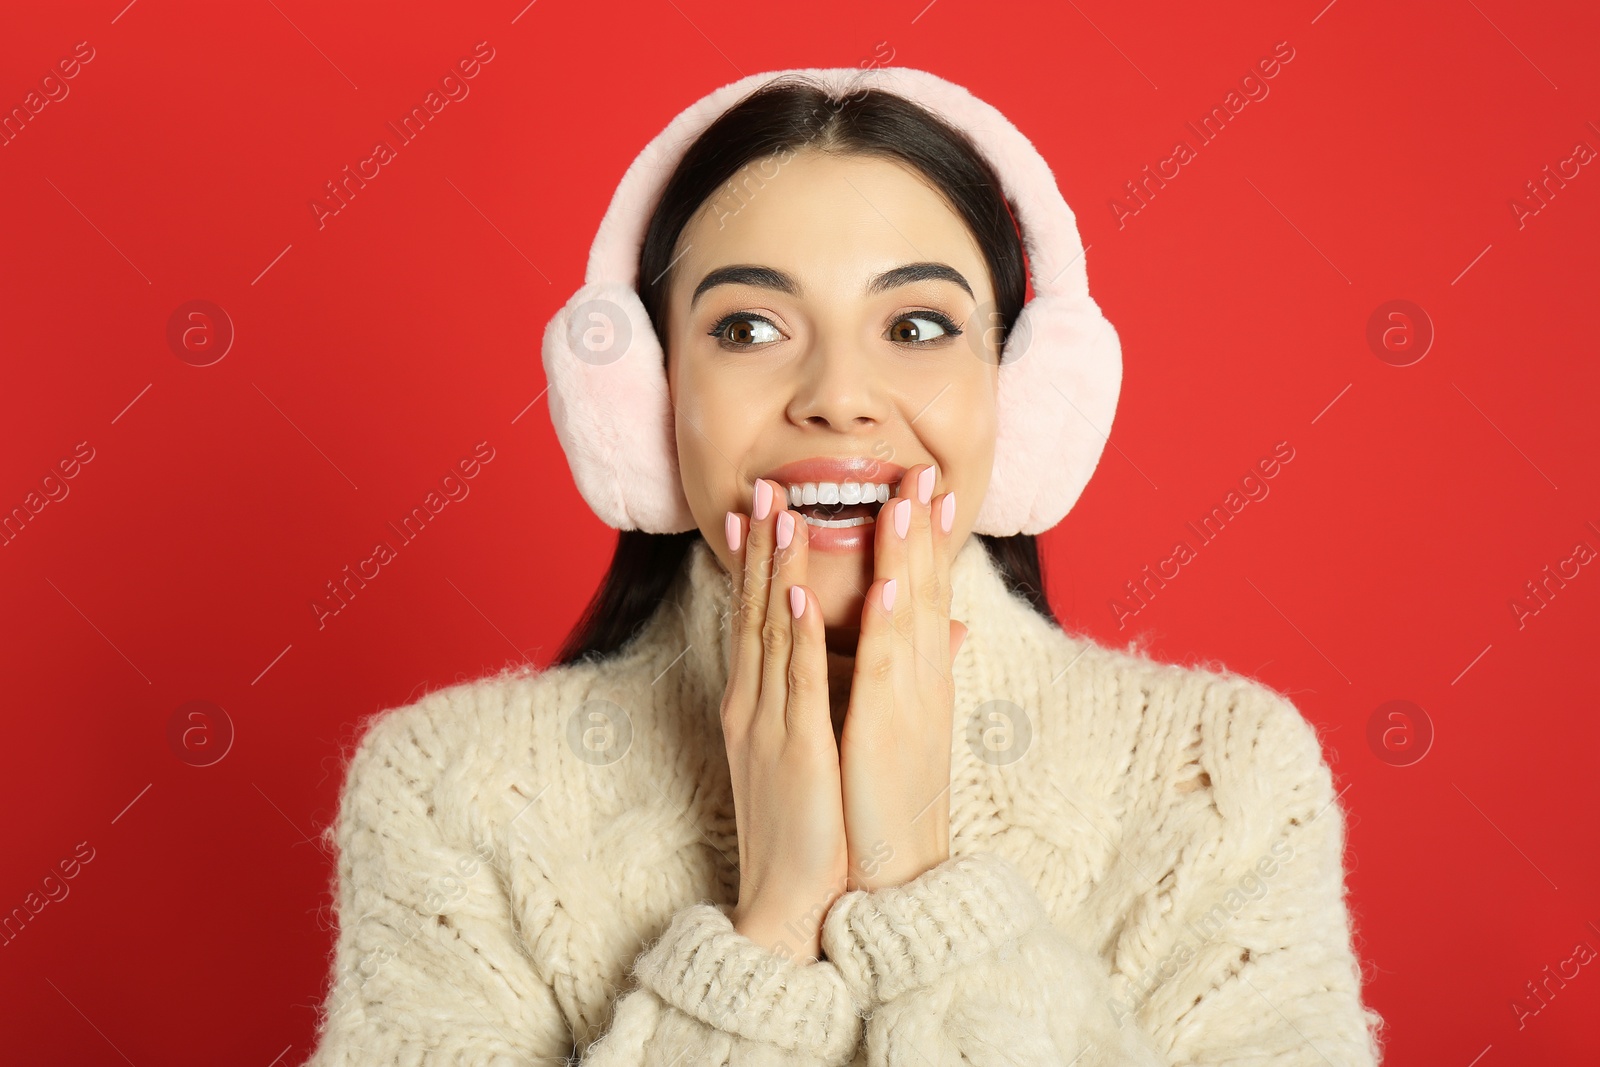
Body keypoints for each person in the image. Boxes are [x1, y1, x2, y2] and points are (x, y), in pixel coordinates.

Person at [302, 67, 1387, 1066]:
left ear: (1019, 390)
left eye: (916, 324)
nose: (837, 394)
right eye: (747, 326)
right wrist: (765, 934)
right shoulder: (447, 790)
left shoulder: (1222, 778)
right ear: (643, 400)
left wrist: (925, 894)